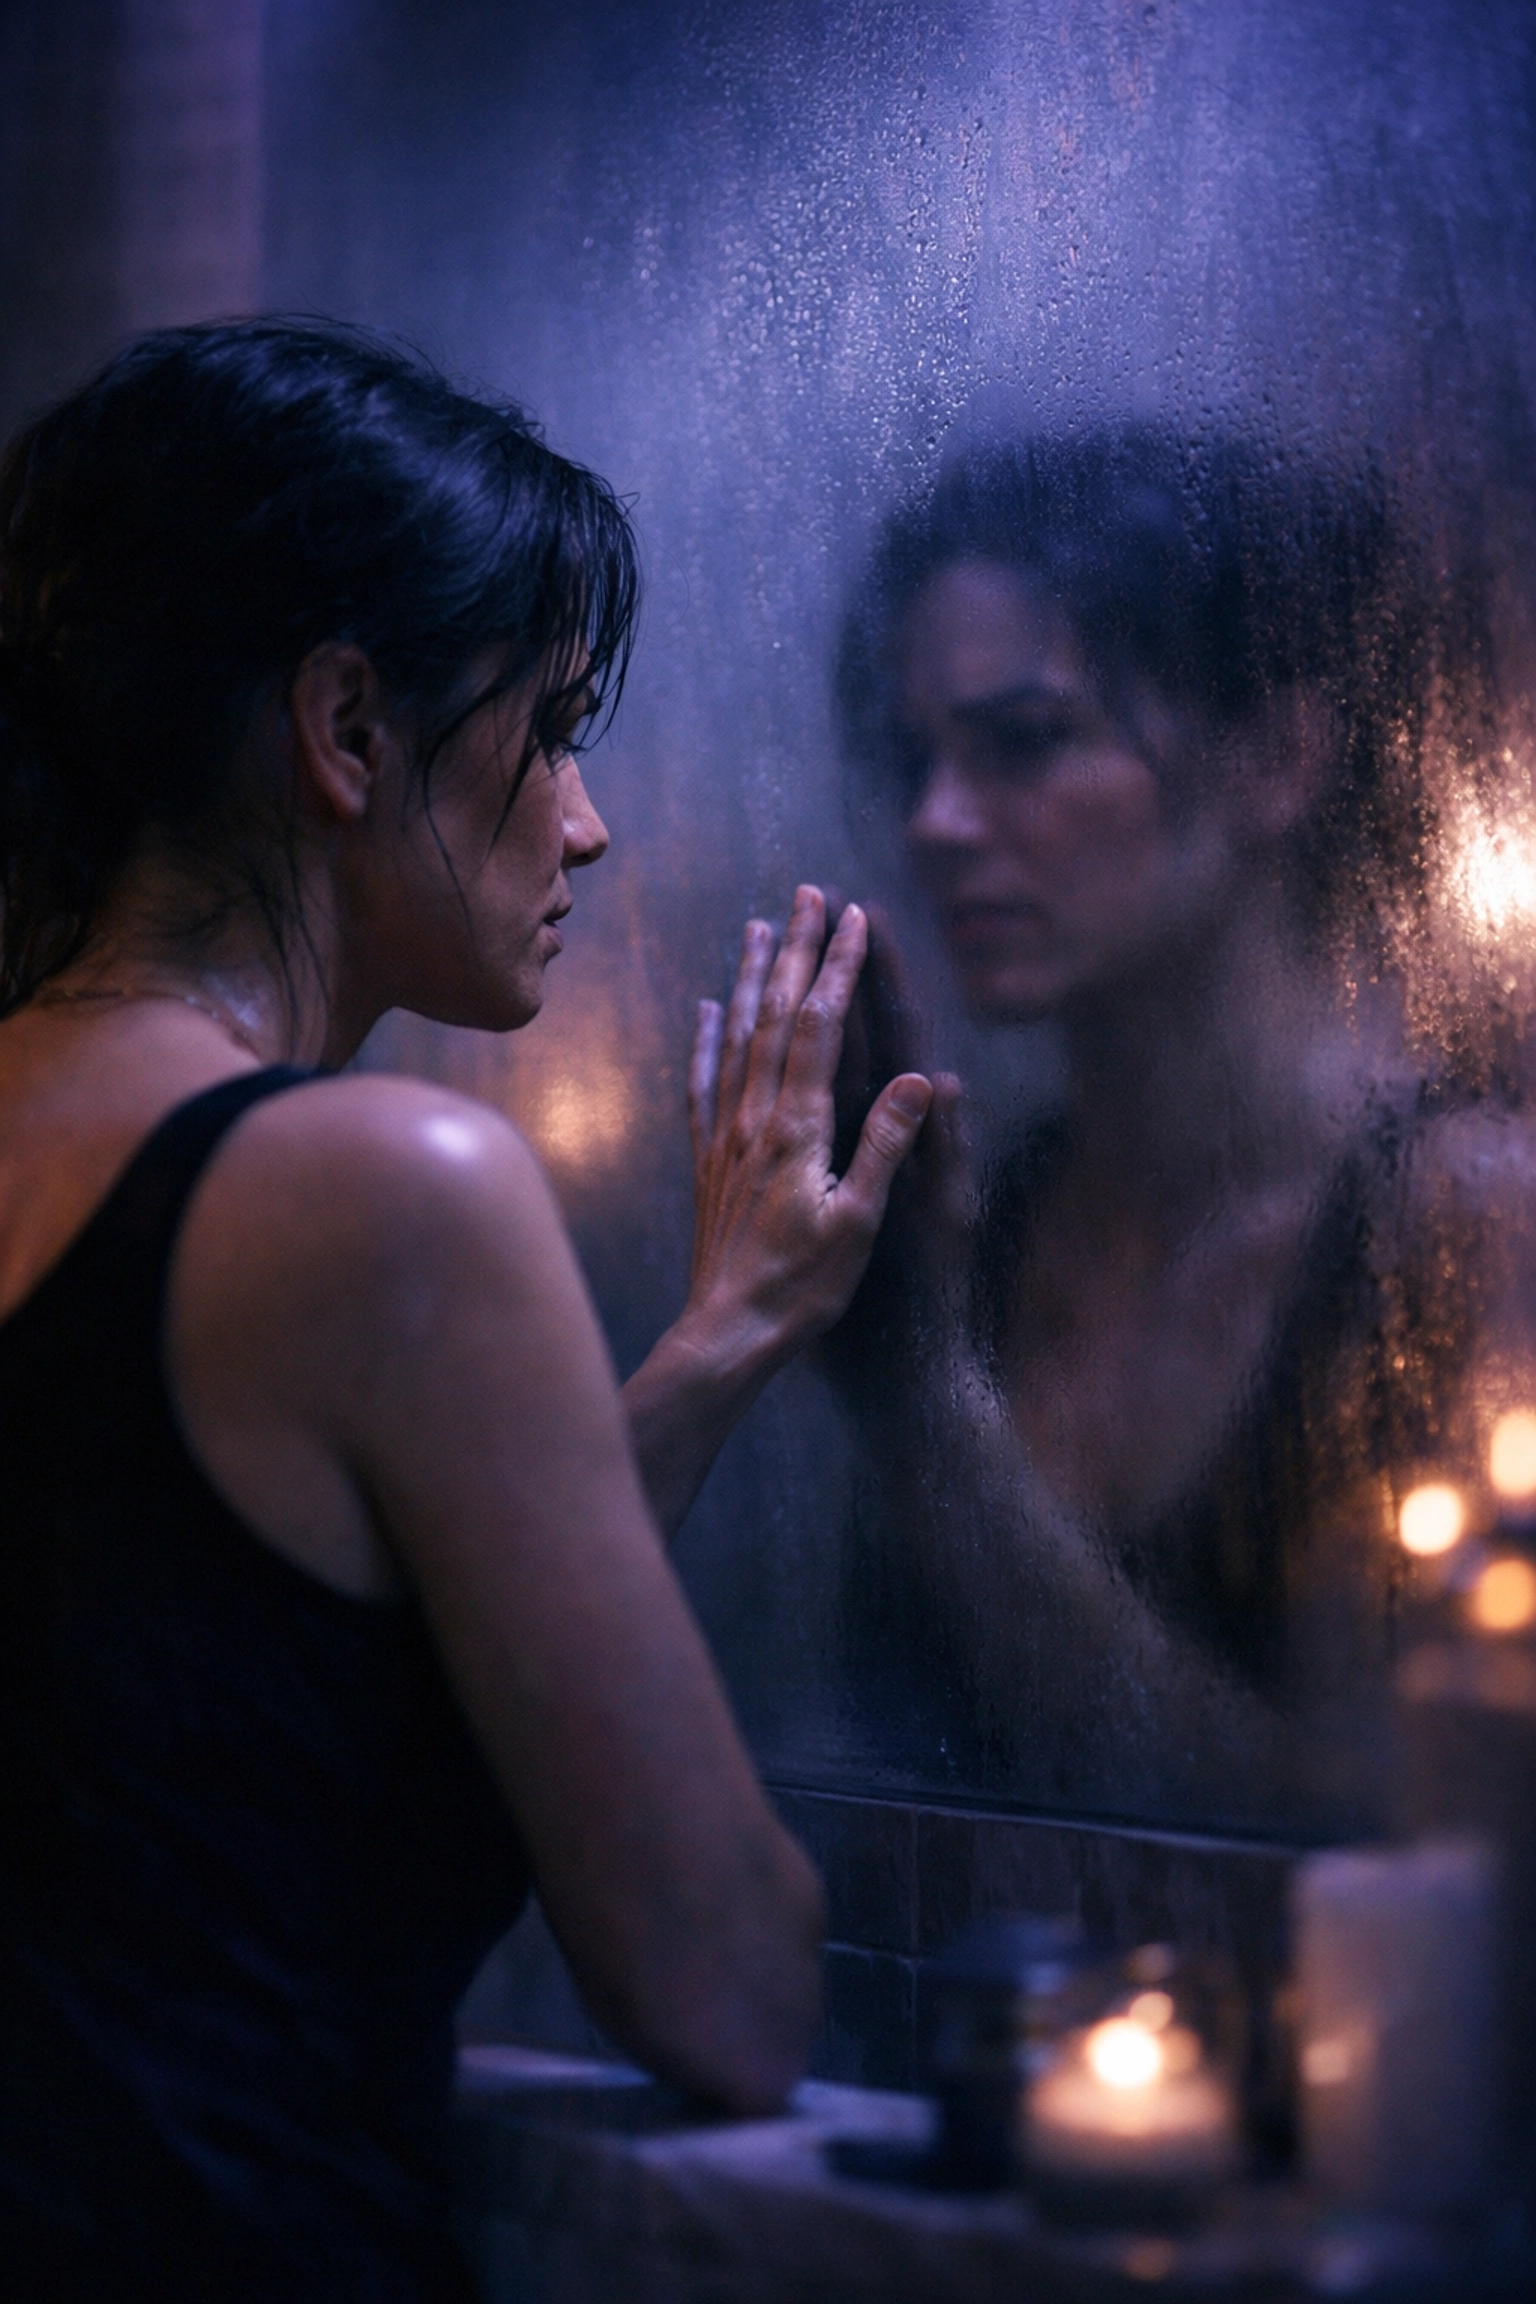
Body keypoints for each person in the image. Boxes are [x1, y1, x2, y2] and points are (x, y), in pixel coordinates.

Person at [0, 318, 934, 2299]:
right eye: (558, 721)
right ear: (346, 730)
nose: (585, 819)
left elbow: (202, 1712)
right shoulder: (378, 1195)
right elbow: (728, 1988)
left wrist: (722, 1338)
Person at [831, 429, 1509, 1822]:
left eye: (1029, 742)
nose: (940, 822)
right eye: (914, 759)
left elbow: (1354, 1848)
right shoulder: (988, 1216)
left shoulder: (1467, 1223)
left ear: (1275, 758)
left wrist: (926, 1402)